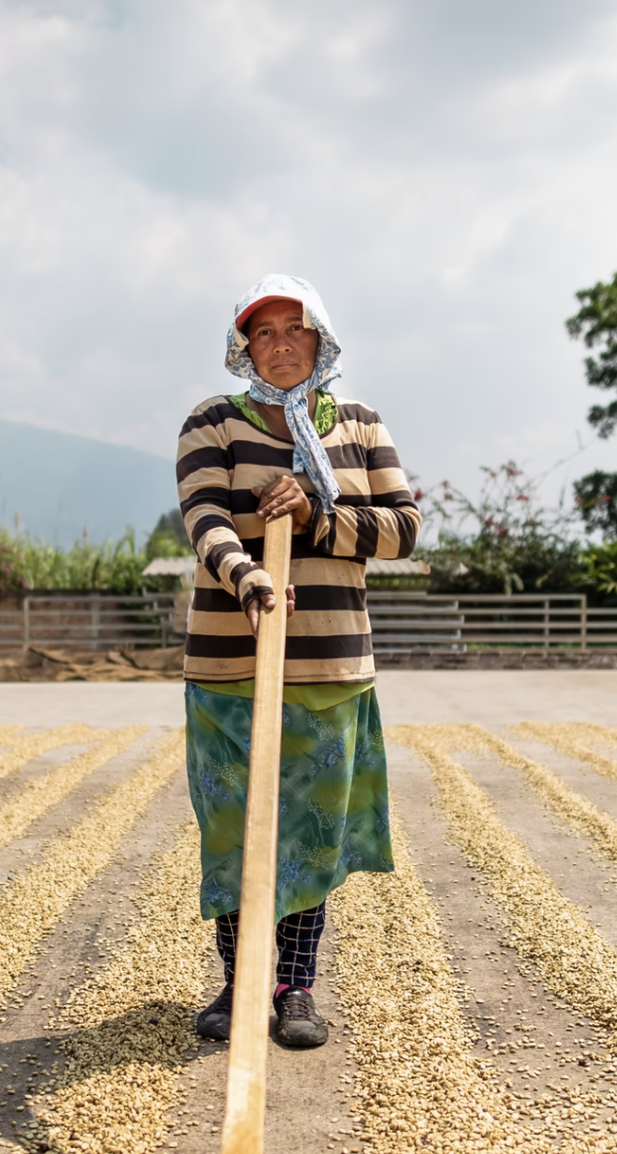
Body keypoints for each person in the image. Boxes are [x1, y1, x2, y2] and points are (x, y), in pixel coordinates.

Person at [177, 274, 421, 1049]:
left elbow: (403, 528)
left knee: (308, 836)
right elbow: (204, 515)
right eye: (264, 333)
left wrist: (319, 515)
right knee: (235, 831)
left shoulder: (359, 424)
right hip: (229, 665)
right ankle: (238, 981)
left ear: (322, 338)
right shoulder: (212, 422)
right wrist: (244, 573)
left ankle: (295, 989)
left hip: (329, 667)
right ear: (243, 347)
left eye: (296, 329)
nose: (280, 345)